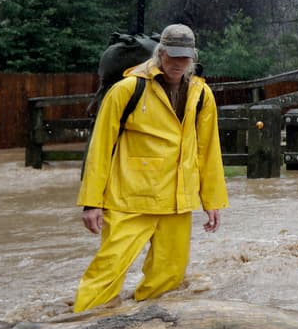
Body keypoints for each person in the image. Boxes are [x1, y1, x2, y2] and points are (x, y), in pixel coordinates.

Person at [73, 24, 227, 312]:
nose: (178, 64)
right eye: (172, 56)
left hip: (178, 202)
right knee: (107, 271)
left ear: (193, 58)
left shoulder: (201, 94)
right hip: (131, 199)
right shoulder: (127, 89)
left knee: (169, 276)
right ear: (160, 53)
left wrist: (212, 200)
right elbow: (100, 147)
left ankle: (147, 326)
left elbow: (208, 150)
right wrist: (91, 202)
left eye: (184, 58)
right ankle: (78, 326)